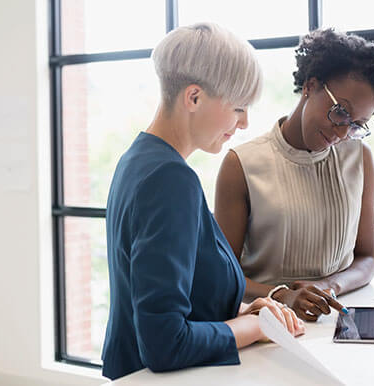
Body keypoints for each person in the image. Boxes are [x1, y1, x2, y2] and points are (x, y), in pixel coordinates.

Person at [102, 23, 305, 380]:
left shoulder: (137, 159)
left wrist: (240, 312)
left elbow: (166, 294)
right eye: (239, 107)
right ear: (194, 97)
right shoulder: (170, 179)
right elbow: (165, 342)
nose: (244, 123)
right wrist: (258, 327)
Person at [214, 29, 374, 322]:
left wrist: (328, 287)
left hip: (339, 319)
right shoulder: (241, 164)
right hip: (267, 324)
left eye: (357, 124)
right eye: (340, 111)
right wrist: (282, 295)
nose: (343, 132)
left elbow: (367, 257)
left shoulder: (359, 158)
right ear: (310, 86)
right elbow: (221, 277)